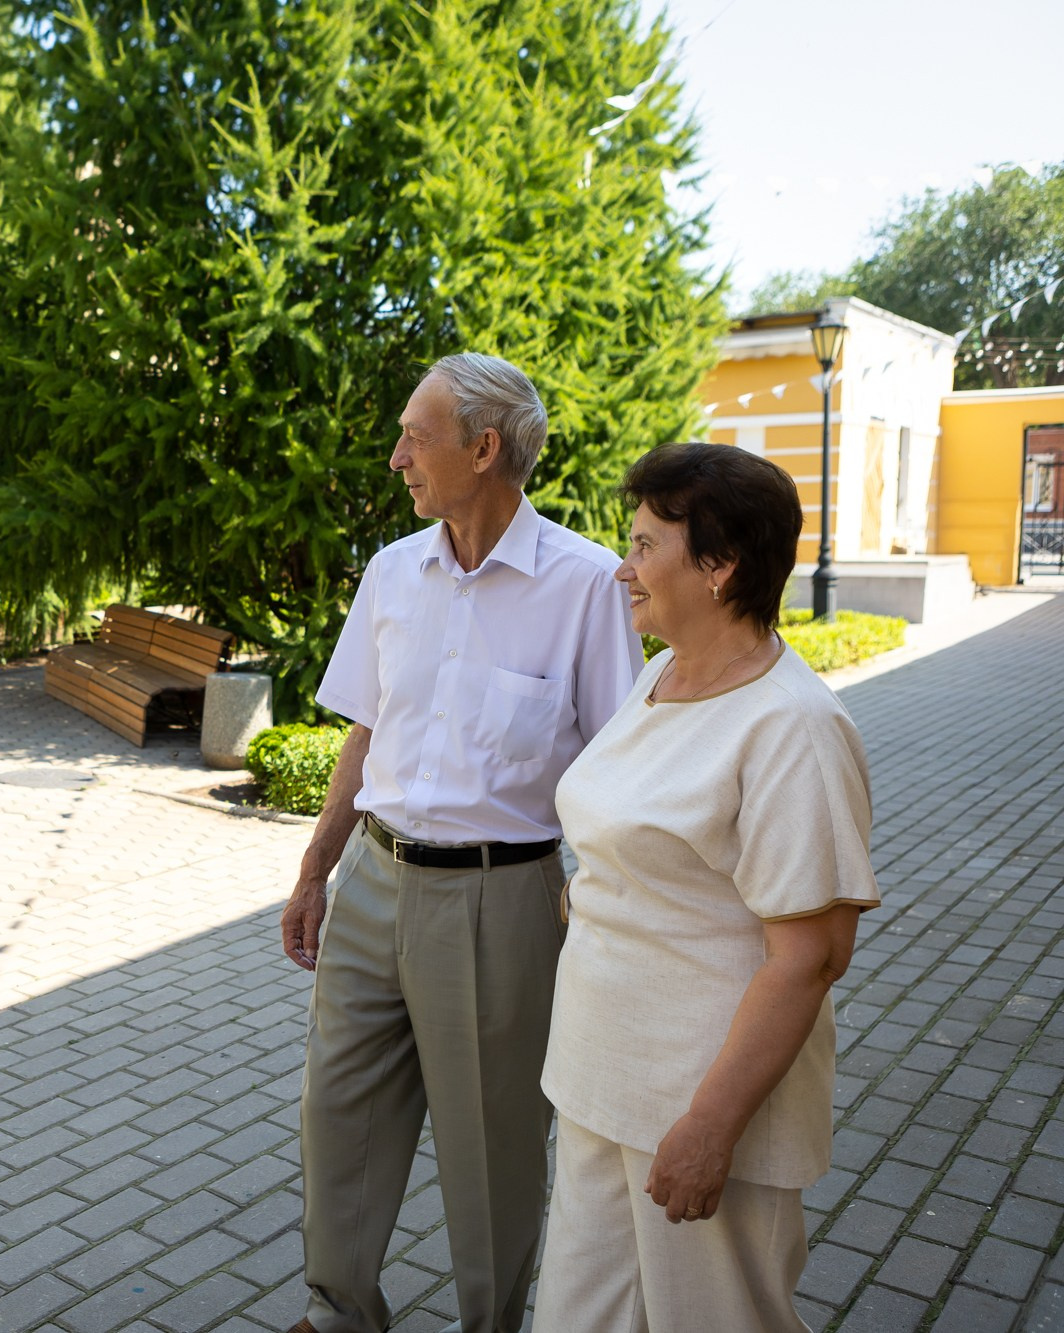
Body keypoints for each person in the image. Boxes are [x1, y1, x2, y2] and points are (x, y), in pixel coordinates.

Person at [282, 353, 641, 1333]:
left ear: (483, 450)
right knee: (337, 1114)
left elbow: (619, 769)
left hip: (500, 900)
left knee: (493, 1150)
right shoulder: (395, 572)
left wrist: (605, 922)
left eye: (414, 435)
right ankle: (338, 1311)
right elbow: (364, 728)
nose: (396, 455)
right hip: (372, 879)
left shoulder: (583, 585)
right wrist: (317, 864)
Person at [534, 442, 878, 1332]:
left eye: (647, 545)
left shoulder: (791, 727)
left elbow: (809, 957)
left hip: (693, 1106)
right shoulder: (662, 674)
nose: (624, 568)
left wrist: (709, 1128)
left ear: (719, 566)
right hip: (600, 1079)